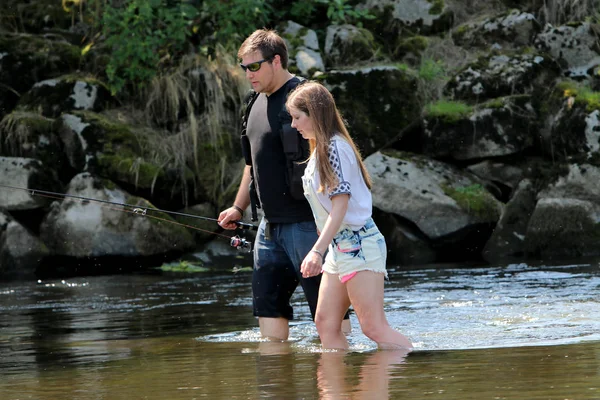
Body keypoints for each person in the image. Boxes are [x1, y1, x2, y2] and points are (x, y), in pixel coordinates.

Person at [218, 29, 350, 340]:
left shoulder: (305, 97)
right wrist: (239, 206)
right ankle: (276, 382)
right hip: (269, 228)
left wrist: (328, 224)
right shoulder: (252, 104)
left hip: (309, 226)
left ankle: (344, 381)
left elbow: (333, 154)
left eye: (254, 66)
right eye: (244, 67)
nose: (248, 74)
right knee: (268, 314)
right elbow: (252, 164)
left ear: (276, 61)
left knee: (331, 317)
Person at [285, 81, 413, 350]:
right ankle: (334, 390)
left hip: (360, 245)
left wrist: (316, 252)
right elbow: (331, 209)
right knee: (325, 323)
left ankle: (412, 368)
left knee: (373, 327)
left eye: (297, 117)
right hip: (340, 248)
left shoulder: (334, 147)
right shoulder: (321, 148)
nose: (294, 125)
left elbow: (341, 205)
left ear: (315, 114)